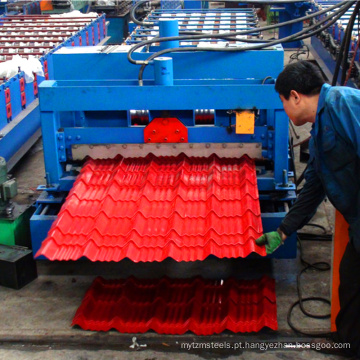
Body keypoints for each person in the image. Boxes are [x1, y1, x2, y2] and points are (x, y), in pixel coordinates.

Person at [255, 60, 360, 357]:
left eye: (282, 102)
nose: (284, 109)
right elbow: (314, 187)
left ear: (295, 96)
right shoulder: (319, 130)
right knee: (351, 282)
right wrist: (284, 230)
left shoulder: (343, 104)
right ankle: (348, 343)